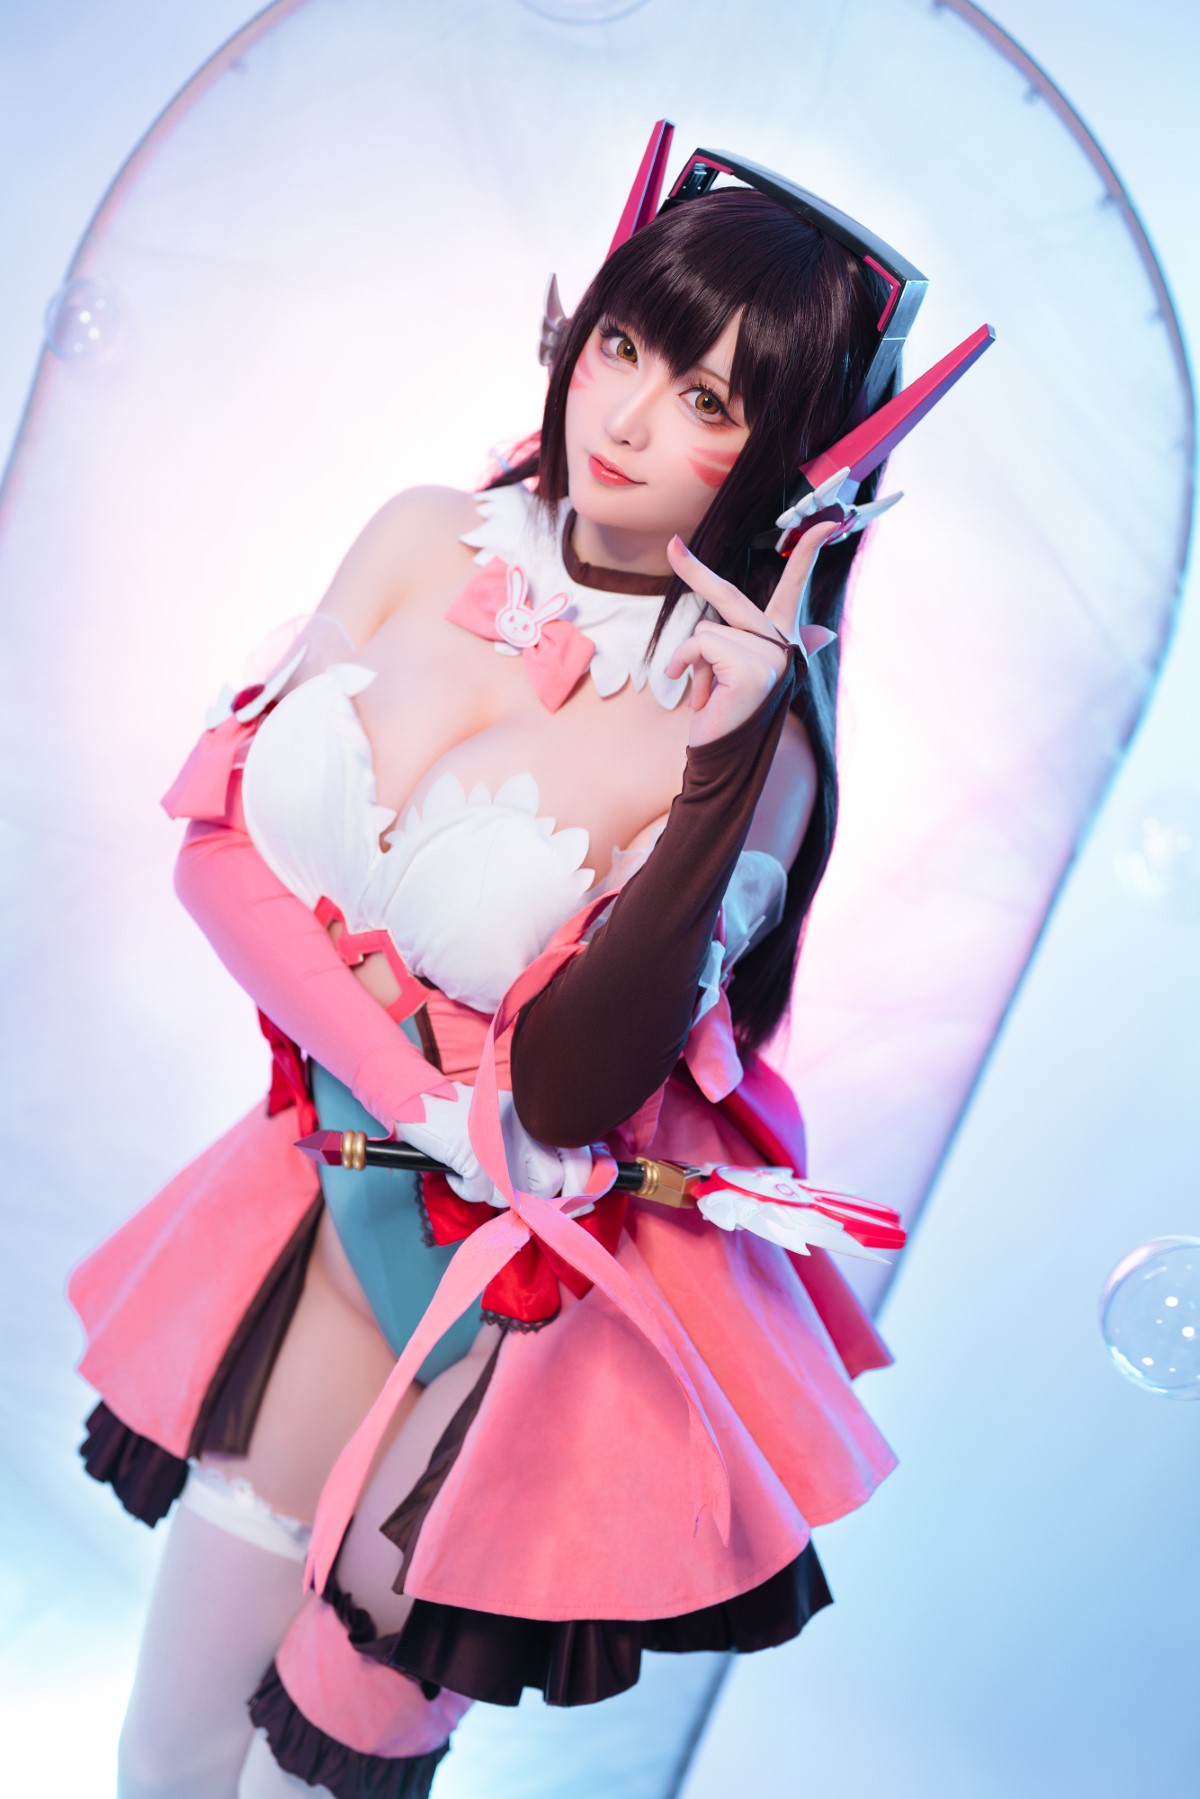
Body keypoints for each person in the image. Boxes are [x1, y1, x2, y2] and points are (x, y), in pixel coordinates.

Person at [68, 131, 923, 1798]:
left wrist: (720, 773)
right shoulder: (426, 533)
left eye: (708, 400)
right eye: (627, 345)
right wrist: (406, 1096)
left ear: (801, 471)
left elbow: (575, 1093)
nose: (626, 420)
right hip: (346, 1194)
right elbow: (212, 850)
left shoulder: (758, 743)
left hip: (535, 1317)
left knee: (319, 1776)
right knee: (165, 1753)